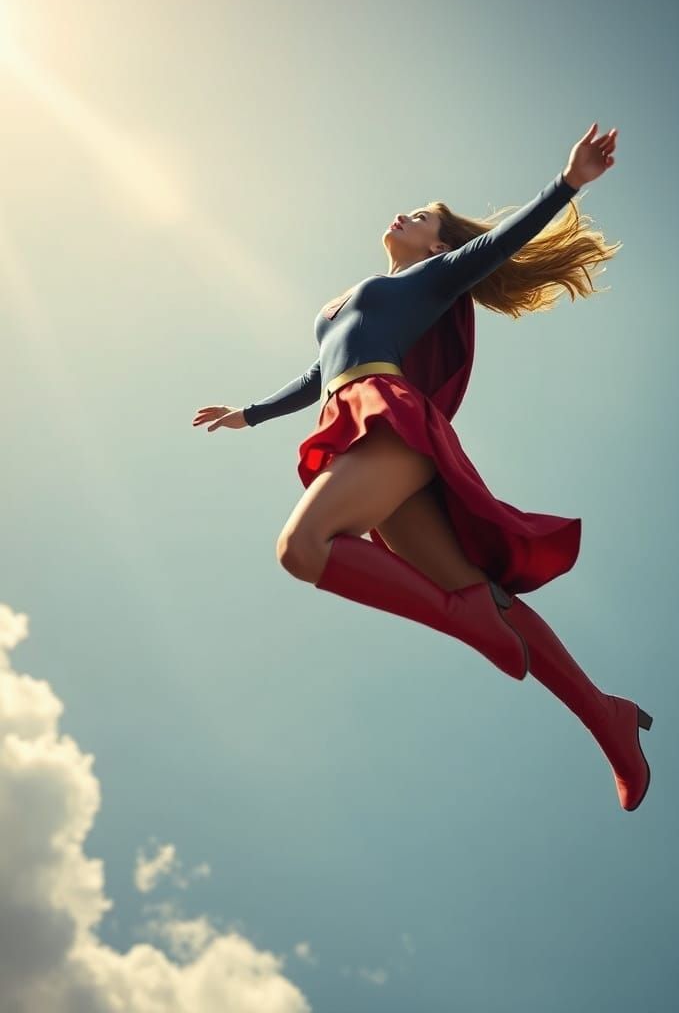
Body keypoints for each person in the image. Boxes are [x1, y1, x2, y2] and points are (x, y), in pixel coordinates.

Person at [192, 123, 653, 811]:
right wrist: (250, 413)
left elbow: (497, 245)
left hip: (389, 417)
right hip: (353, 415)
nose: (406, 215)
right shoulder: (355, 298)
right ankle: (605, 715)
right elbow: (319, 374)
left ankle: (464, 619)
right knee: (483, 594)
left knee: (302, 548)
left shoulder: (434, 278)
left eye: (424, 217)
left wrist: (568, 183)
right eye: (412, 210)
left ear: (440, 246)